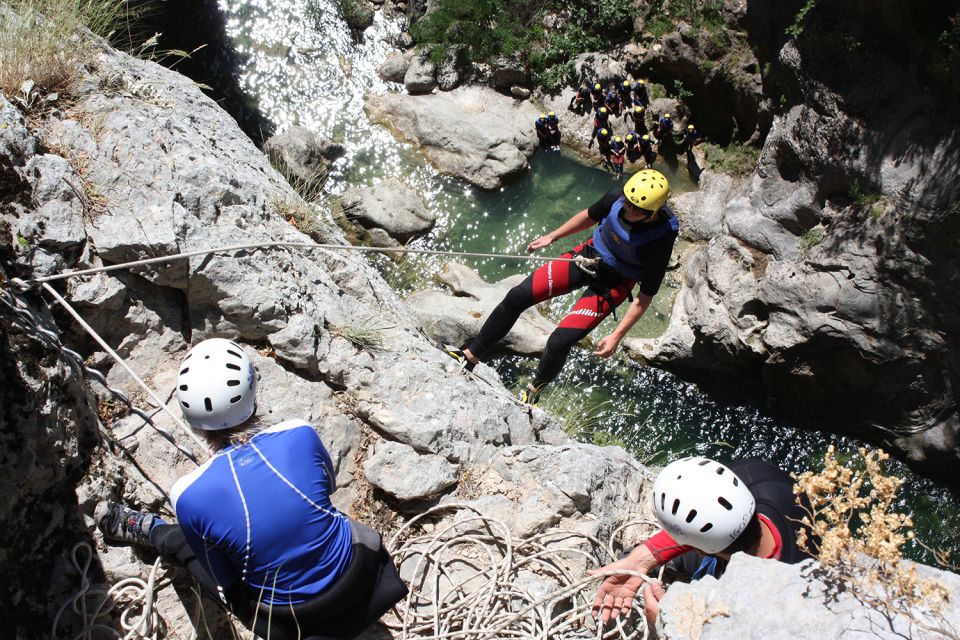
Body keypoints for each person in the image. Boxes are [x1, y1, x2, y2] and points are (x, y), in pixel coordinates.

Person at [95, 338, 407, 640]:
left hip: (292, 619)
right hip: (361, 575)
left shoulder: (188, 495)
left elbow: (224, 577)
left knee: (185, 543)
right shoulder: (299, 434)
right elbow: (328, 485)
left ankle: (153, 531)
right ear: (252, 393)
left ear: (191, 420)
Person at [446, 170, 678, 404]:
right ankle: (470, 356)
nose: (629, 210)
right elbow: (588, 216)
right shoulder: (616, 198)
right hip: (586, 257)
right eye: (628, 203)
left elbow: (646, 295)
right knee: (518, 295)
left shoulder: (661, 239)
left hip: (614, 282)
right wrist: (553, 236)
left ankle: (534, 390)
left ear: (654, 212)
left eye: (638, 210)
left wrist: (617, 335)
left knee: (559, 341)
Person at [590, 457, 813, 627]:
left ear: (697, 549)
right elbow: (718, 514)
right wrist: (640, 560)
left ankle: (680, 565)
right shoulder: (754, 474)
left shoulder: (756, 604)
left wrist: (668, 623)